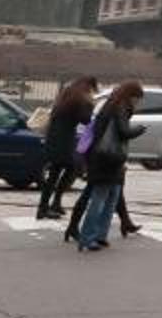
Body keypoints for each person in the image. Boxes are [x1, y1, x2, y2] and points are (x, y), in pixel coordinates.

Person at [73, 82, 143, 252]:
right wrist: (139, 130)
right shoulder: (121, 107)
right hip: (107, 158)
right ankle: (87, 237)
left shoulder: (111, 104)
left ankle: (100, 235)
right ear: (131, 96)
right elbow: (124, 131)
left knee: (112, 196)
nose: (138, 102)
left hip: (104, 157)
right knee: (100, 198)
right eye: (137, 98)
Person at [37, 75, 98, 220]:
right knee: (72, 168)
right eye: (92, 89)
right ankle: (48, 206)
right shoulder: (80, 98)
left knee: (56, 172)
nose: (92, 92)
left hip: (56, 137)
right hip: (63, 139)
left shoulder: (67, 94)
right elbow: (85, 119)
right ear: (89, 87)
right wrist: (91, 105)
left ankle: (49, 205)